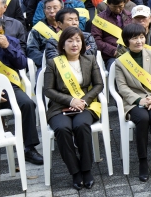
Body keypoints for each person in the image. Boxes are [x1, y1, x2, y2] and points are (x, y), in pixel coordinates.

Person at [43, 26, 104, 190]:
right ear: (63, 45)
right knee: (62, 130)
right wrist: (70, 101)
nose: (74, 44)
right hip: (59, 106)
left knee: (81, 126)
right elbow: (48, 90)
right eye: (70, 41)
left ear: (82, 43)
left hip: (85, 104)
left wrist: (84, 100)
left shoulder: (90, 60)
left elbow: (99, 85)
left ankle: (86, 170)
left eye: (78, 40)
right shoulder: (54, 63)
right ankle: (75, 172)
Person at [115, 24, 151, 181]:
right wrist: (140, 99)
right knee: (143, 118)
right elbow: (122, 87)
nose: (139, 41)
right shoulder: (120, 62)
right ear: (127, 41)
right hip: (134, 101)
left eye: (141, 37)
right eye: (134, 38)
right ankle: (143, 161)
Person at [0, 16, 43, 164]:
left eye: (0, 32)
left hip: (8, 88)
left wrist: (7, 47)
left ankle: (29, 149)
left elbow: (22, 64)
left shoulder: (11, 42)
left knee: (27, 104)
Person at [92, 0, 133, 69]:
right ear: (107, 4)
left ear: (124, 3)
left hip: (131, 51)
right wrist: (113, 51)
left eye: (120, 6)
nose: (117, 9)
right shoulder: (100, 19)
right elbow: (96, 40)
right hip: (111, 55)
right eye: (114, 7)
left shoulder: (130, 16)